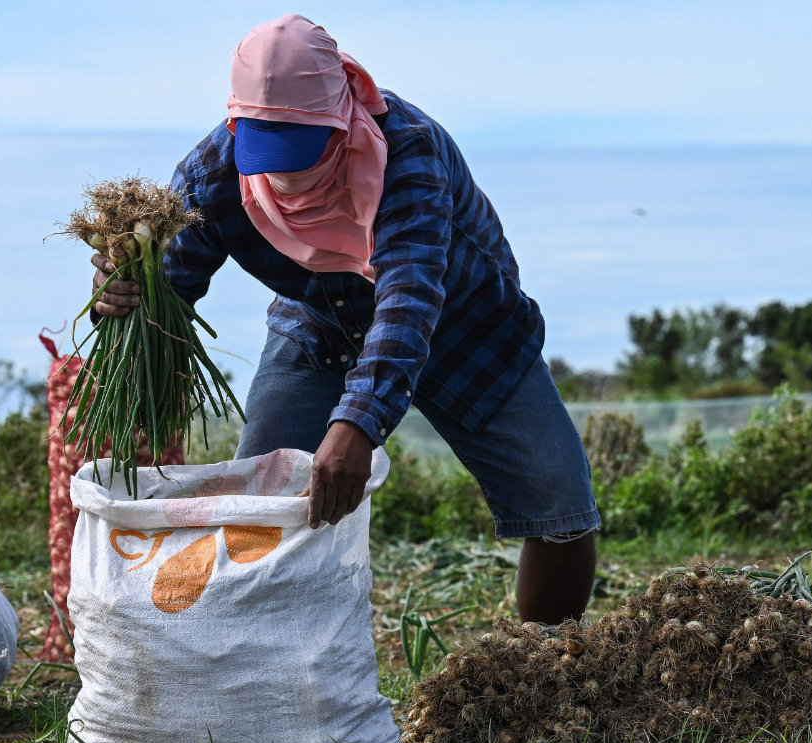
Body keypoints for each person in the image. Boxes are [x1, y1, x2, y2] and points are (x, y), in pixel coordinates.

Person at [90, 13, 600, 624]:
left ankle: (543, 673)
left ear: (341, 112)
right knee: (263, 512)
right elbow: (167, 290)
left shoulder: (406, 150)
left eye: (302, 146)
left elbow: (410, 297)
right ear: (237, 121)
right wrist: (123, 296)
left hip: (464, 328)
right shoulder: (213, 174)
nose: (285, 172)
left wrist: (357, 424)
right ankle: (265, 674)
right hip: (319, 329)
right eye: (266, 147)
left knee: (560, 509)